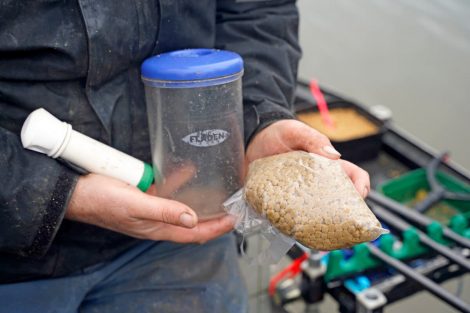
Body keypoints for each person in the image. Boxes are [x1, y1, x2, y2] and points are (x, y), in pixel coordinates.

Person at [0, 0, 370, 312]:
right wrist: (47, 194)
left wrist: (259, 118)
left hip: (188, 230)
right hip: (15, 265)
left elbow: (256, 9)